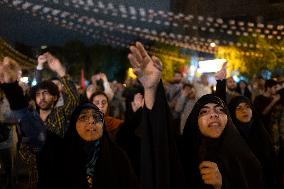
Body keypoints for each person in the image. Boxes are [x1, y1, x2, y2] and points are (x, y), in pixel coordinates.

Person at [128, 42, 264, 189]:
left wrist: (223, 184)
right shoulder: (184, 154)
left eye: (219, 110)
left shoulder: (246, 160)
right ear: (195, 122)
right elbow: (160, 140)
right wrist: (153, 89)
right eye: (204, 112)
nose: (213, 114)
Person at [0, 53, 79, 188]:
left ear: (55, 97)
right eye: (38, 94)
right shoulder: (31, 117)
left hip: (59, 178)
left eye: (46, 93)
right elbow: (24, 151)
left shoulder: (61, 114)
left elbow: (73, 99)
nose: (41, 98)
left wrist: (60, 71)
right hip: (35, 181)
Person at [60, 102, 140, 189]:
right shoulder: (63, 156)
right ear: (74, 125)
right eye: (83, 117)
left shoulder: (117, 156)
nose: (91, 121)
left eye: (96, 117)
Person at [228, 95, 282, 189]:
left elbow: (272, 161)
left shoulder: (260, 130)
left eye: (247, 107)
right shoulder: (231, 138)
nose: (244, 111)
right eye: (238, 108)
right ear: (232, 112)